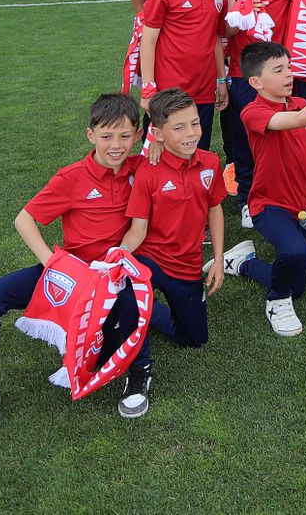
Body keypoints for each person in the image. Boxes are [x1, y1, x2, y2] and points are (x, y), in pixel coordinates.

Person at [0, 94, 146, 442]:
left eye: (125, 136)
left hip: (115, 272)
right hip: (71, 272)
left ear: (137, 136)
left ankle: (137, 375)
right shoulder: (71, 177)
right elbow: (24, 219)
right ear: (90, 135)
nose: (116, 145)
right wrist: (55, 264)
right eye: (106, 136)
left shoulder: (141, 169)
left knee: (135, 306)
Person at [120, 89, 228, 411]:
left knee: (195, 339)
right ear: (158, 132)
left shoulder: (210, 162)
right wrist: (118, 257)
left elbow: (215, 210)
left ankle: (151, 312)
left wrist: (218, 260)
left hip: (188, 264)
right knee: (129, 293)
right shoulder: (148, 171)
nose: (191, 133)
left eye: (195, 124)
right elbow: (138, 229)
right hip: (150, 259)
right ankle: (139, 367)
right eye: (179, 127)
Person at [218, 40, 306, 335]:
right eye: (279, 70)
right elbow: (298, 120)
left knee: (296, 285)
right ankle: (276, 302)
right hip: (269, 205)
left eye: (289, 67)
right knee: (295, 250)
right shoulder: (252, 113)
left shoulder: (302, 103)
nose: (289, 74)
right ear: (256, 82)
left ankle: (242, 264)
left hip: (305, 205)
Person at [213, 0, 290, 227]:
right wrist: (243, 13)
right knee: (245, 139)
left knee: (278, 139)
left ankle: (275, 193)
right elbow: (225, 30)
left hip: (281, 73)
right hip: (244, 75)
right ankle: (246, 197)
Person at [137, 0, 227, 150]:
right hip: (168, 89)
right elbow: (148, 41)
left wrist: (221, 80)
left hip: (204, 89)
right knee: (159, 151)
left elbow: (215, 38)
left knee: (198, 147)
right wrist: (148, 88)